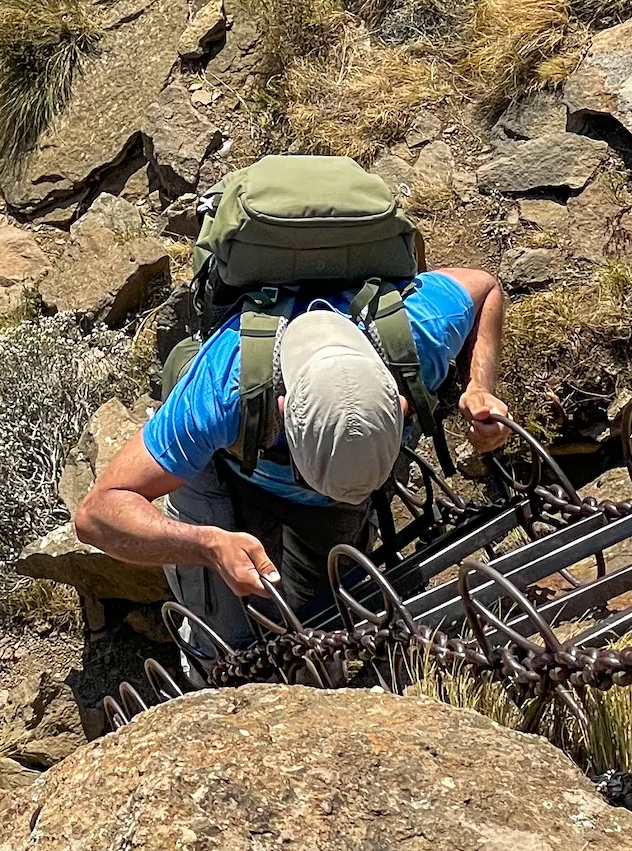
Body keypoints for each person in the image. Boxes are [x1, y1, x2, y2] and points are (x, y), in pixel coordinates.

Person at [73, 264, 509, 643]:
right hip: (226, 468)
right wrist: (207, 544)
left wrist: (480, 386)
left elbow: (486, 287)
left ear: (399, 401)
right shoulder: (222, 392)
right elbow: (96, 515)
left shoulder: (417, 336)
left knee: (323, 616)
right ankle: (210, 667)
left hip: (323, 494)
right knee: (227, 631)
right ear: (281, 416)